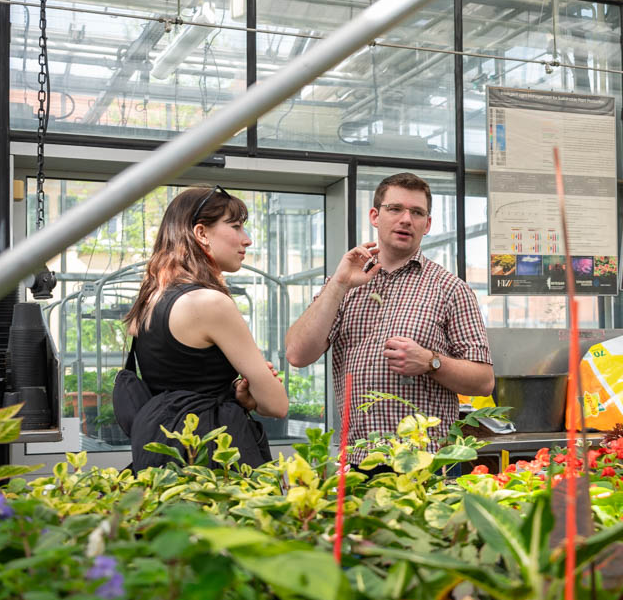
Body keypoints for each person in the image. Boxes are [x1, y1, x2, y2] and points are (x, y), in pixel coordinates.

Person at [286, 173, 492, 446]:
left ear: (427, 224)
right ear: (375, 216)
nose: (406, 219)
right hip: (359, 459)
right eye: (395, 209)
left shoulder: (451, 289)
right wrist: (339, 284)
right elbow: (298, 354)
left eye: (417, 212)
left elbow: (483, 381)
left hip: (428, 461)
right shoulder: (343, 285)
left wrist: (431, 362)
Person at [120, 185, 286, 469]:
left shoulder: (150, 300)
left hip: (163, 454)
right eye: (235, 227)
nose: (247, 240)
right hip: (211, 458)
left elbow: (183, 380)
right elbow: (276, 405)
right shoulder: (209, 303)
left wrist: (233, 391)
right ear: (201, 233)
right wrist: (255, 393)